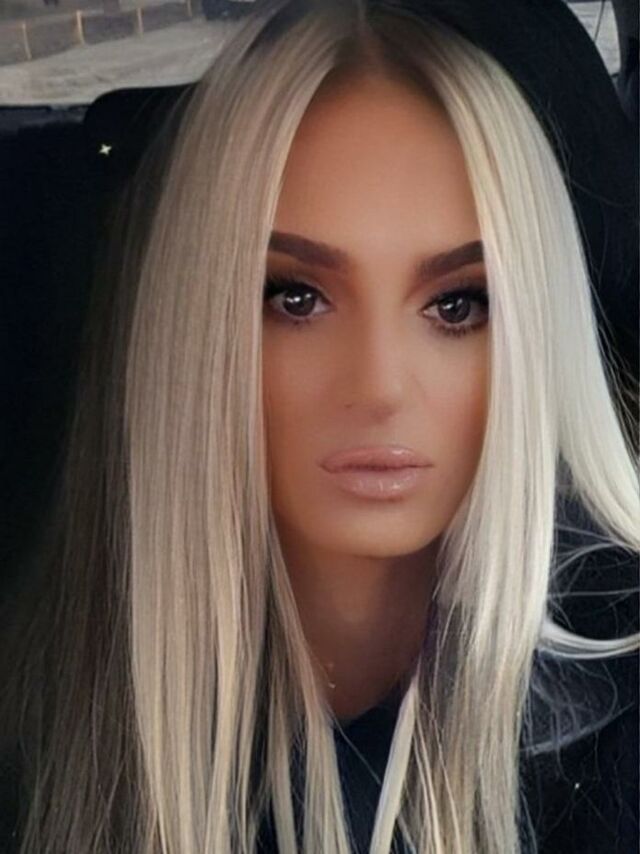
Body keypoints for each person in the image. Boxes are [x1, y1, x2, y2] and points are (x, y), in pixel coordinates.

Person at [0, 1, 637, 852]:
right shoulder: (59, 718)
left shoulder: (613, 730)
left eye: (457, 305)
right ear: (197, 326)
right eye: (296, 298)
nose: (379, 387)